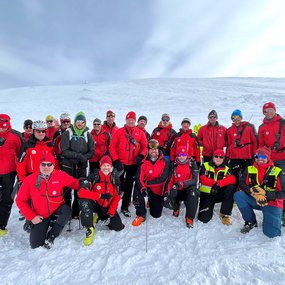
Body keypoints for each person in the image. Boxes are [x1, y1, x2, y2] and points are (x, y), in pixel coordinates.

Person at [15, 153, 80, 249]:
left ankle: (52, 235)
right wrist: (32, 217)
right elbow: (20, 200)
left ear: (54, 165)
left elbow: (74, 183)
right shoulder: (30, 180)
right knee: (36, 245)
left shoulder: (60, 175)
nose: (46, 167)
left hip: (56, 208)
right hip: (40, 214)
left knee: (67, 210)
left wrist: (84, 183)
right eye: (43, 164)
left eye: (49, 164)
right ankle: (29, 222)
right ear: (39, 165)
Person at [234, 147, 285, 238]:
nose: (259, 159)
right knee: (239, 195)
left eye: (262, 156)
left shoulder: (278, 172)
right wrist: (251, 192)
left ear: (268, 157)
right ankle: (251, 221)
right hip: (255, 199)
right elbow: (241, 184)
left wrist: (265, 194)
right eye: (257, 156)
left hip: (272, 203)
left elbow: (283, 193)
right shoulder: (250, 169)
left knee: (271, 234)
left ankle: (276, 217)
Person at [78, 156, 124, 246]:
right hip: (95, 204)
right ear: (100, 166)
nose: (106, 168)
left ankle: (99, 216)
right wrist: (99, 196)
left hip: (107, 206)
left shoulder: (115, 179)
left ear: (111, 167)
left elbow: (116, 197)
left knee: (118, 227)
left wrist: (110, 212)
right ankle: (89, 228)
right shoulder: (93, 176)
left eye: (108, 165)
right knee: (84, 201)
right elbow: (81, 192)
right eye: (104, 165)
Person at [110, 111, 148, 217]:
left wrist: (141, 156)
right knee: (117, 186)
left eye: (132, 119)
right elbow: (112, 147)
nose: (131, 121)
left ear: (135, 120)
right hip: (120, 164)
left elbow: (145, 147)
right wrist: (116, 160)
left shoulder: (140, 133)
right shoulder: (119, 132)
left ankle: (124, 207)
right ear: (126, 120)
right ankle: (110, 206)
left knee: (129, 186)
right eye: (129, 119)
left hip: (133, 164)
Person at [60, 112, 94, 218]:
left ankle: (75, 211)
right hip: (68, 166)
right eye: (78, 122)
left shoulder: (87, 134)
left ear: (85, 123)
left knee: (79, 188)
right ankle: (66, 212)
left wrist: (84, 157)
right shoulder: (68, 133)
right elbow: (64, 150)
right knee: (67, 190)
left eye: (82, 122)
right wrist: (77, 155)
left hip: (81, 166)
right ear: (75, 122)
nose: (80, 124)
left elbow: (92, 150)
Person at [258, 102, 285, 225]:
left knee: (282, 185)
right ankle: (272, 209)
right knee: (271, 184)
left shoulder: (283, 123)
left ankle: (283, 212)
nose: (268, 112)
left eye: (270, 110)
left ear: (274, 110)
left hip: (282, 158)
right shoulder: (262, 127)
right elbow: (261, 145)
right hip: (269, 161)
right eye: (266, 111)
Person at [132, 139, 170, 226]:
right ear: (148, 151)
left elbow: (163, 178)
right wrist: (143, 188)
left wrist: (147, 183)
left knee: (156, 214)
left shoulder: (165, 162)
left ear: (158, 150)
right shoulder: (143, 162)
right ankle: (141, 214)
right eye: (151, 149)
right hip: (145, 188)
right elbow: (139, 177)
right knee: (137, 188)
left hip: (157, 189)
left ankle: (150, 201)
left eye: (155, 149)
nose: (153, 151)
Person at [198, 149, 236, 225]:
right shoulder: (205, 165)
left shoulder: (226, 168)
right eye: (216, 156)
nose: (218, 158)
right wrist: (215, 184)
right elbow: (202, 179)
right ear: (213, 157)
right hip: (207, 194)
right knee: (204, 219)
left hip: (219, 193)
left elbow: (233, 179)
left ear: (224, 158)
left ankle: (225, 214)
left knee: (231, 188)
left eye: (221, 157)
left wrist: (219, 184)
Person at [165, 146, 199, 228]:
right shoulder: (174, 165)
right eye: (180, 154)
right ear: (177, 155)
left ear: (187, 155)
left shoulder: (192, 164)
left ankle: (189, 217)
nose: (182, 157)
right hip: (177, 188)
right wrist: (168, 191)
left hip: (188, 189)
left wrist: (181, 184)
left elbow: (194, 180)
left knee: (194, 192)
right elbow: (170, 179)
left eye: (184, 154)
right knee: (171, 192)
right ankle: (176, 208)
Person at [0, 114, 22, 236]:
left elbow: (20, 154)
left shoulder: (15, 135)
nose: (2, 129)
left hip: (9, 172)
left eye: (4, 126)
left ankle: (1, 225)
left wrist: (20, 172)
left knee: (6, 198)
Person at [17, 120, 55, 185]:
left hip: (48, 177)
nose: (41, 133)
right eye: (38, 131)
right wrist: (22, 179)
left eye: (43, 131)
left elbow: (54, 162)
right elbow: (21, 164)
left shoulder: (50, 144)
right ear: (34, 131)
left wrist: (55, 176)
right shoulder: (27, 145)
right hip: (32, 177)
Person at [226, 109, 257, 184]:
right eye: (233, 118)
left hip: (247, 157)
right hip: (235, 157)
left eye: (237, 117)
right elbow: (229, 144)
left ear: (241, 117)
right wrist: (227, 156)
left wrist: (255, 154)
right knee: (235, 175)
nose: (236, 119)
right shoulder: (229, 130)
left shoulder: (249, 127)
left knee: (247, 175)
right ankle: (236, 190)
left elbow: (255, 141)